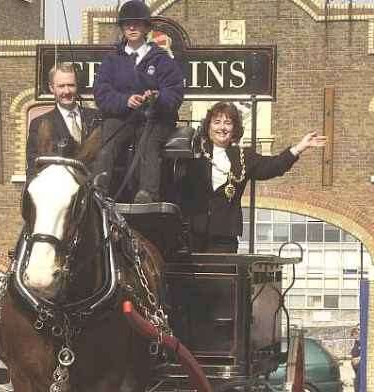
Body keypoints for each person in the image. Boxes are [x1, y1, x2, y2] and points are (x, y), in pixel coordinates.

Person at [182, 101, 327, 253]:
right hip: (193, 234)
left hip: (225, 236)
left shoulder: (244, 156)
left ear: (234, 129)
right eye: (217, 122)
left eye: (228, 123)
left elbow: (273, 166)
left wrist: (299, 148)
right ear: (209, 126)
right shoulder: (194, 153)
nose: (222, 128)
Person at [93, 0, 184, 203]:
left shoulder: (161, 59)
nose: (132, 28)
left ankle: (147, 194)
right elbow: (101, 92)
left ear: (145, 28)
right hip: (123, 117)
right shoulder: (111, 60)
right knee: (108, 141)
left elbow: (176, 91)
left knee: (148, 144)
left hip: (155, 118)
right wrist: (125, 101)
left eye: (137, 23)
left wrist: (157, 98)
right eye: (127, 24)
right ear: (122, 28)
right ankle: (98, 189)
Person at [26, 62, 100, 179]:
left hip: (90, 191)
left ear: (77, 85)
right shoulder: (39, 124)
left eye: (71, 85)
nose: (67, 91)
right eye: (61, 86)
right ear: (51, 88)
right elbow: (33, 166)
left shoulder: (97, 119)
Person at [350, 325, 361, 392]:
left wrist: (359, 358)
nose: (354, 336)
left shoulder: (362, 341)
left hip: (359, 364)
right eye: (353, 334)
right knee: (357, 381)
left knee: (357, 382)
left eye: (355, 334)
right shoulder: (355, 342)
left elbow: (365, 352)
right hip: (355, 366)